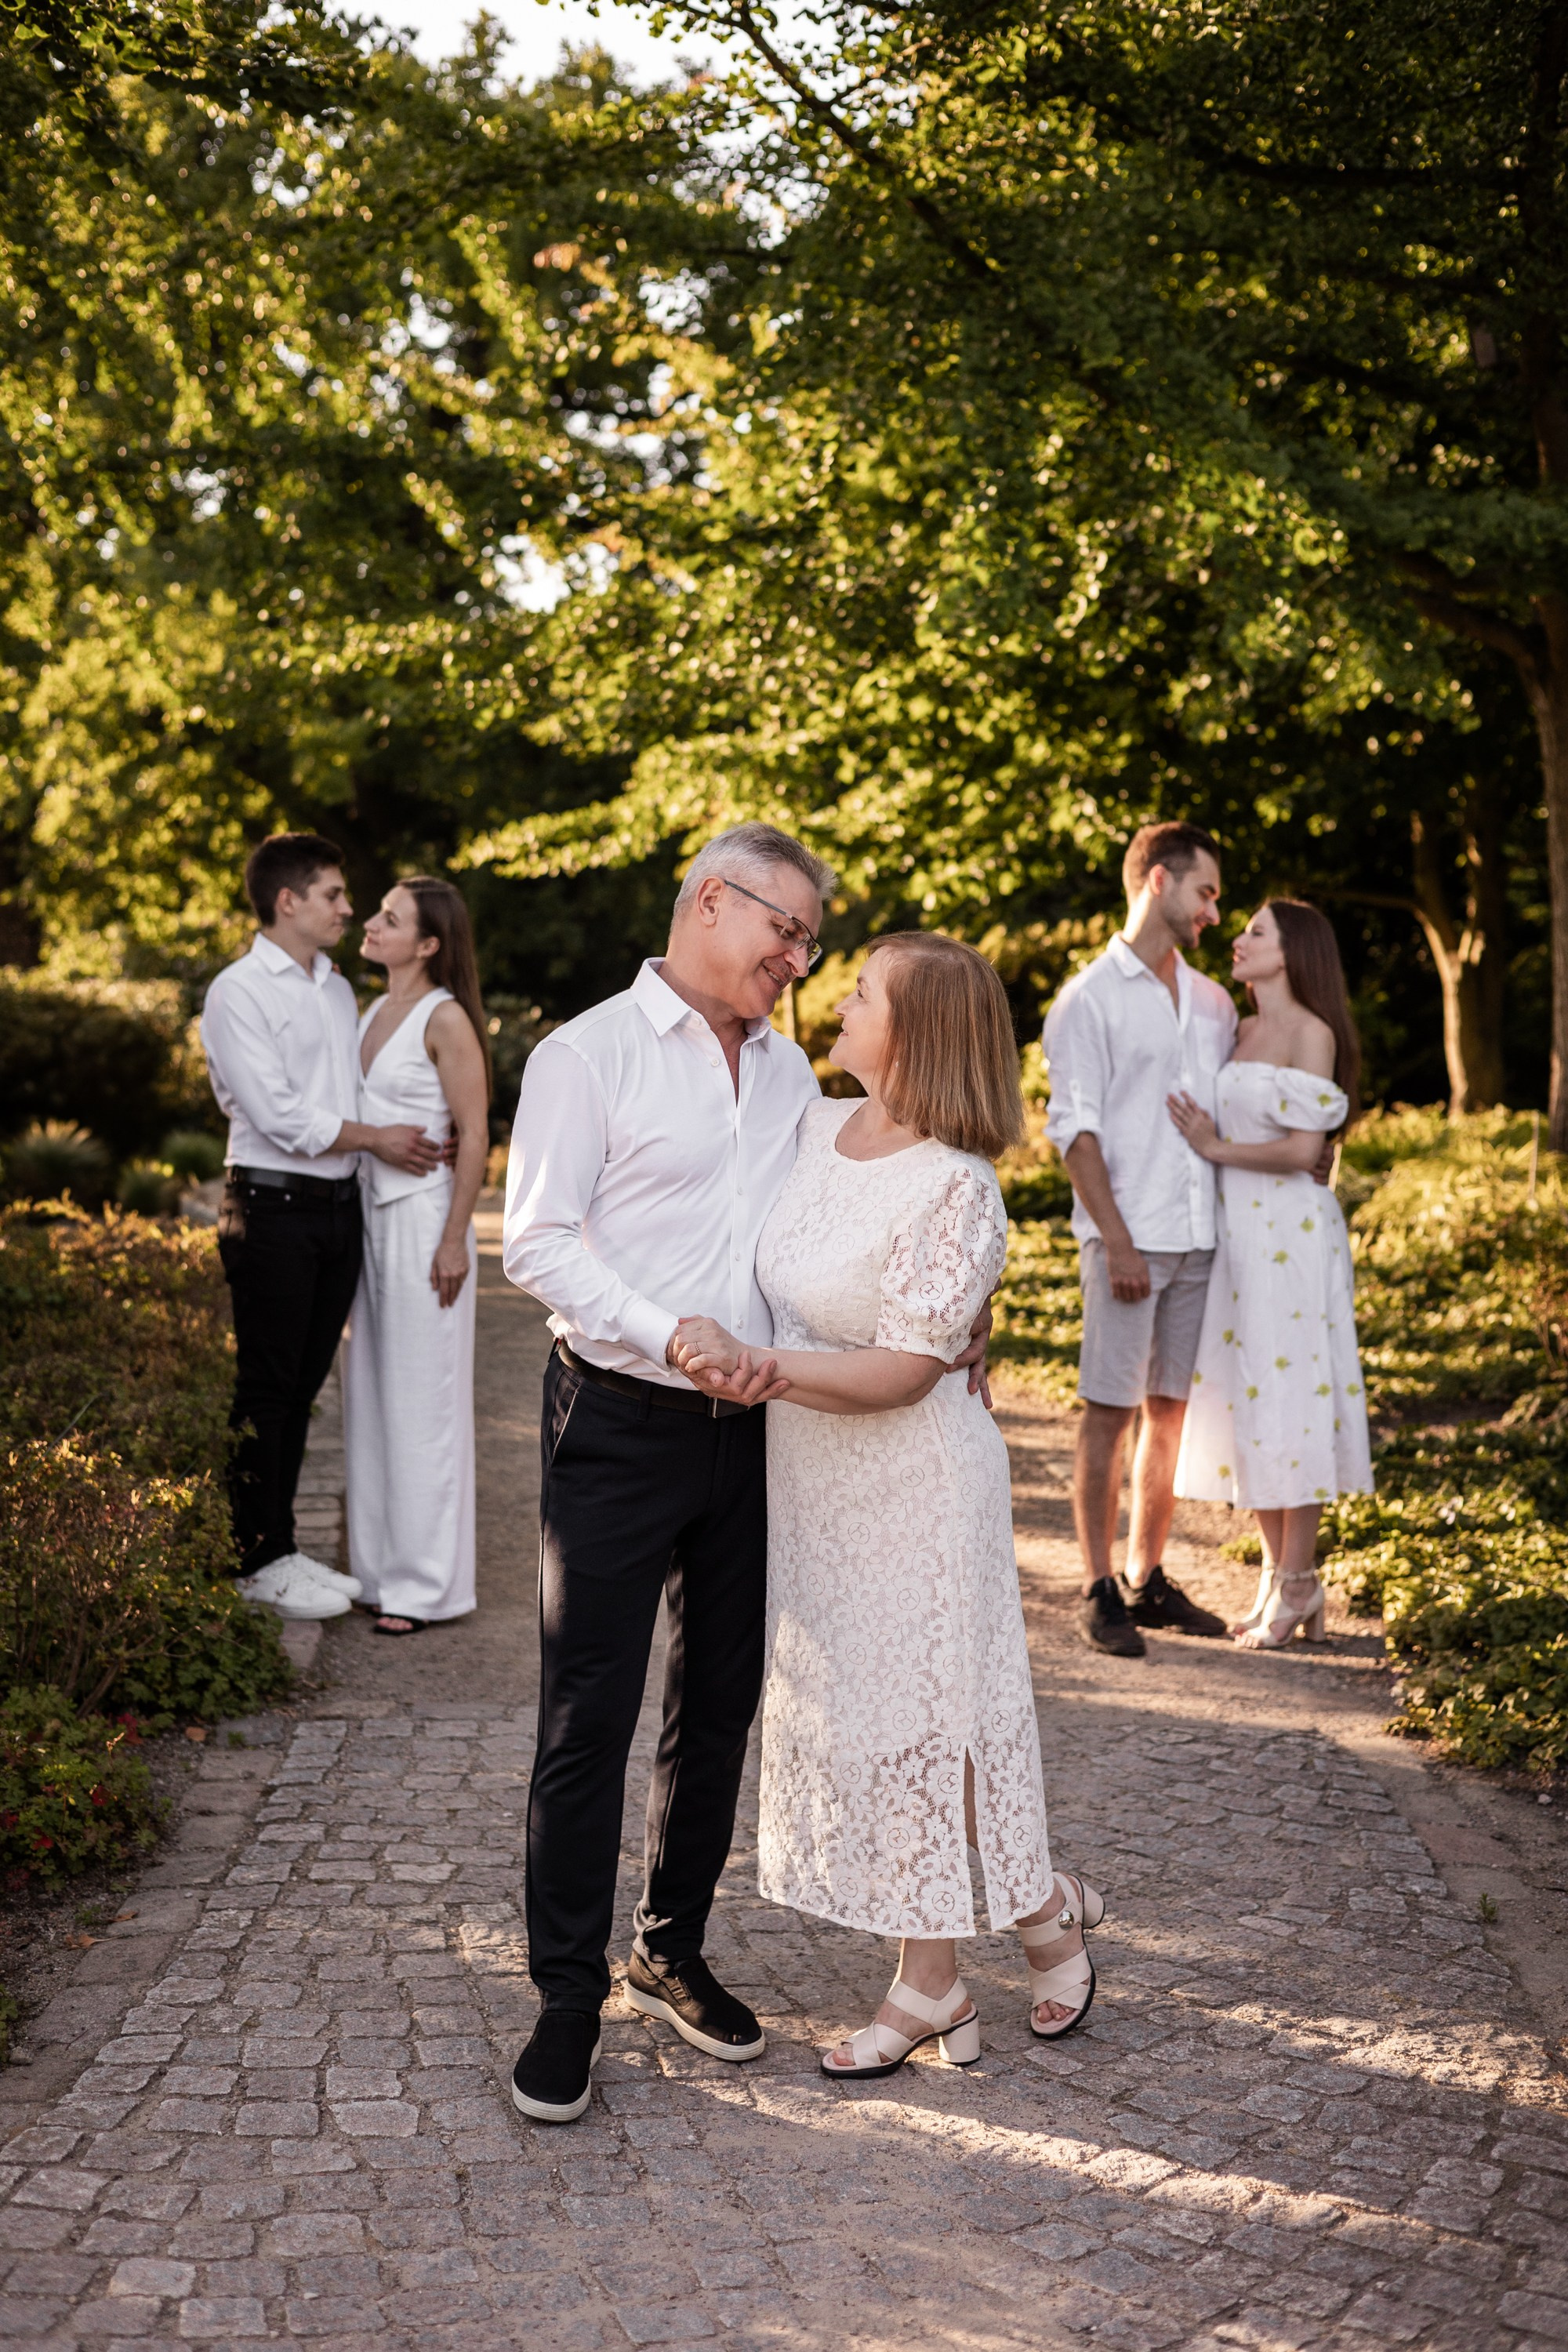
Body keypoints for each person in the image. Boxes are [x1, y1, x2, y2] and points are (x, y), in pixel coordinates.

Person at [501, 823, 993, 2125]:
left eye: (816, 944)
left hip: (760, 1432)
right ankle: (564, 1996)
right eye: (789, 931)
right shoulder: (585, 1055)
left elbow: (900, 1187)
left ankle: (669, 1949)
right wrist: (667, 1333)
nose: (800, 961)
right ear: (713, 900)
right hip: (615, 1417)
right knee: (587, 1716)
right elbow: (535, 1241)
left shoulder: (793, 1081)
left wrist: (961, 1307)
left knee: (718, 1708)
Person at [673, 936, 1104, 2075]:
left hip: (916, 1482)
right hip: (814, 1483)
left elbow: (911, 1370)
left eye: (862, 992)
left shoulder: (958, 1184)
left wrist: (760, 1367)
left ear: (914, 1033)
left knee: (926, 1722)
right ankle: (1042, 1910)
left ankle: (931, 1985)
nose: (838, 1000)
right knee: (874, 1723)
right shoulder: (813, 1126)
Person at [200, 833, 448, 1622]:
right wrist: (378, 1140)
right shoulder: (238, 992)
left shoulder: (335, 989)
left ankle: (281, 1548)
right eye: (334, 895)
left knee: (302, 1387)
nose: (348, 909)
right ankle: (252, 1560)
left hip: (337, 1209)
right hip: (271, 1206)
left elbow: (344, 1090)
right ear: (288, 901)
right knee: (266, 1387)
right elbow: (275, 1114)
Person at [1040, 822, 1236, 1657]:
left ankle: (1147, 1576)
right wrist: (1117, 1242)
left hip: (1197, 1236)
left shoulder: (1214, 1002)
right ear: (1158, 880)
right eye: (1205, 892)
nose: (1214, 912)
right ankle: (1097, 1588)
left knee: (1169, 1413)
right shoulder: (1087, 999)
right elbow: (1073, 1131)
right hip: (1128, 1239)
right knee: (1108, 1412)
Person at [1167, 899, 1372, 1646]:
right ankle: (1278, 1579)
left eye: (1257, 932)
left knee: (1295, 1398)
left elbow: (1302, 1150)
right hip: (1238, 1238)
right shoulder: (1239, 1030)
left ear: (1292, 952)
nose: (1239, 939)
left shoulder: (1313, 1033)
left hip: (1291, 1236)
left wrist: (1214, 1147)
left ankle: (1299, 1578)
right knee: (1250, 1399)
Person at [342, 877, 490, 1637]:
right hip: (366, 1219)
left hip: (424, 1224)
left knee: (423, 1406)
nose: (370, 923)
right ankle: (376, 1572)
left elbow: (476, 1133)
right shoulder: (372, 1011)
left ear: (428, 944)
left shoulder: (445, 1017)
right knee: (370, 1400)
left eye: (389, 919)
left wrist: (454, 1238)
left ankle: (425, 1586)